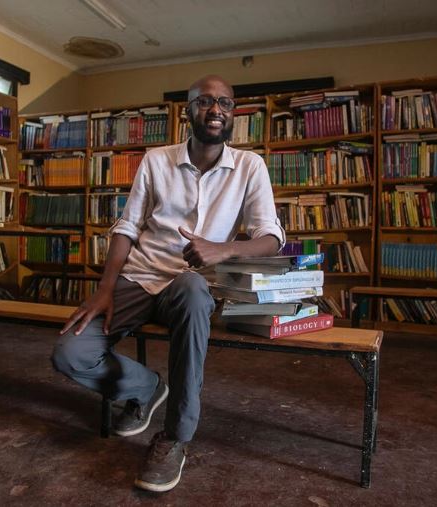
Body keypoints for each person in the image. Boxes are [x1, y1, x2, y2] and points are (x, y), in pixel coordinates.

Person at [52, 75, 284, 492]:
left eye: (226, 104)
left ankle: (176, 436)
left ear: (233, 113)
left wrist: (224, 249)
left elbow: (271, 238)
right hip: (140, 276)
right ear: (188, 110)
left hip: (192, 287)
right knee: (70, 352)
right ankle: (147, 388)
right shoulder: (156, 160)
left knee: (195, 290)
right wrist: (105, 288)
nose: (216, 110)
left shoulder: (251, 166)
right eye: (205, 102)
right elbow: (127, 226)